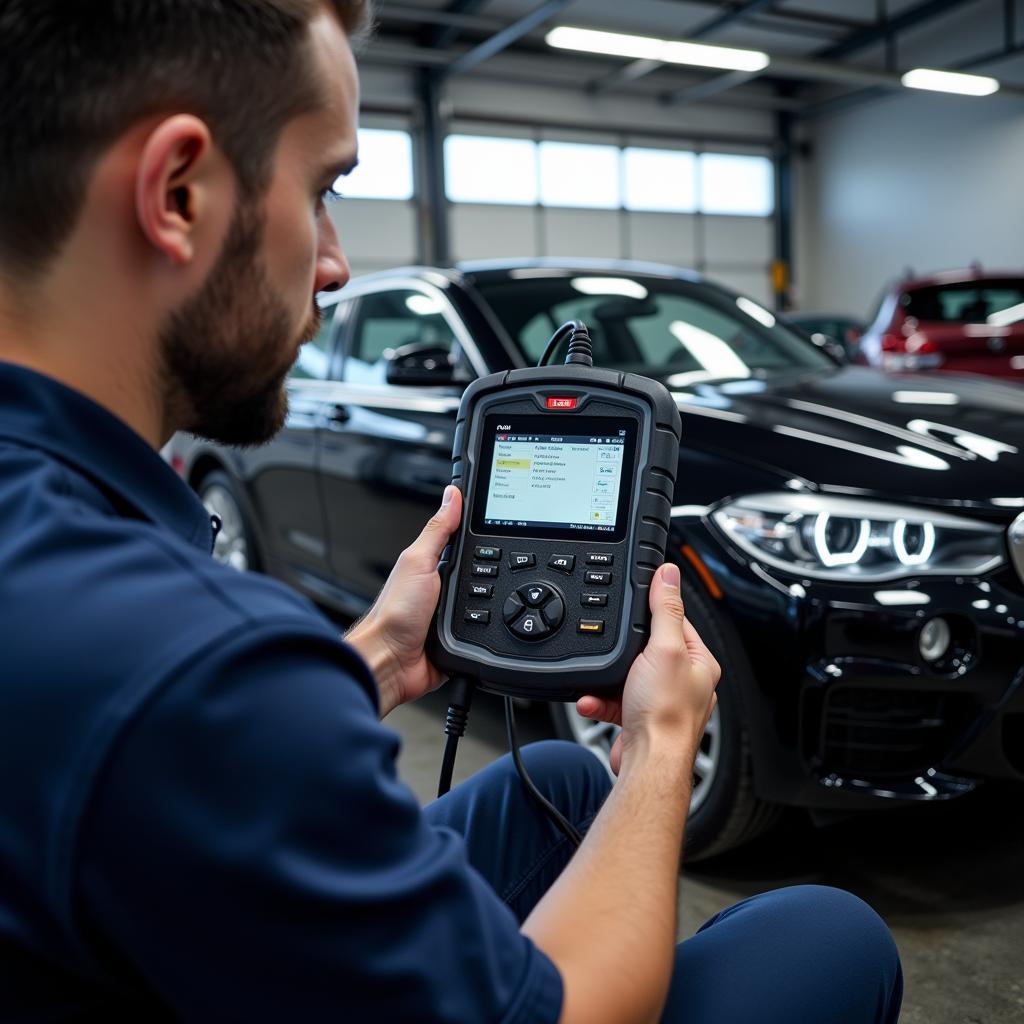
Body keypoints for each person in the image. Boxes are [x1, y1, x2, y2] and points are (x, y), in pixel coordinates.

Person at [0, 1, 903, 1020]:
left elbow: (175, 774)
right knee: (826, 933)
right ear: (178, 191)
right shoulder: (193, 661)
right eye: (322, 187)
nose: (336, 263)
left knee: (556, 779)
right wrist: (658, 746)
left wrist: (382, 651)